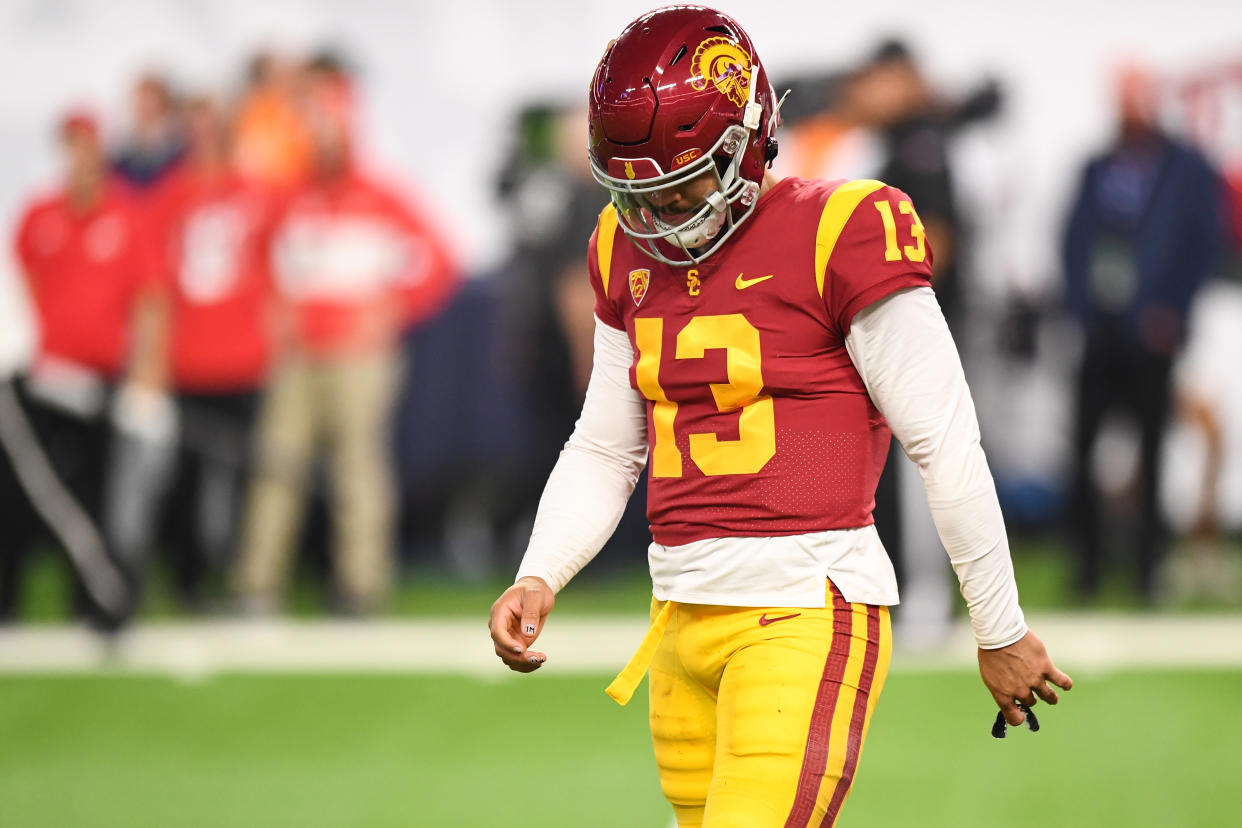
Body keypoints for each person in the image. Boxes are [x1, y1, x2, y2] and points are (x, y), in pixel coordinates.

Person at [488, 7, 1071, 827]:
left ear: (746, 139)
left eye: (678, 185)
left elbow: (943, 439)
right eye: (637, 192)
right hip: (679, 618)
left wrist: (999, 625)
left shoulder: (842, 229)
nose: (655, 217)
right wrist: (540, 568)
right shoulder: (622, 247)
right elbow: (607, 443)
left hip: (803, 606)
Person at [232, 73, 458, 614]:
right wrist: (275, 312)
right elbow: (258, 259)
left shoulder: (380, 194)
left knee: (358, 470)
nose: (324, 137)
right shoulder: (291, 196)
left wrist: (392, 309)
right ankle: (257, 588)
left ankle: (361, 587)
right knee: (276, 466)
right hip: (300, 355)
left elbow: (440, 262)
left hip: (361, 356)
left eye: (332, 125)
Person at [1063, 65, 1223, 601]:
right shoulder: (1097, 166)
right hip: (1101, 332)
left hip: (1151, 334)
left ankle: (1147, 572)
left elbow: (1201, 246)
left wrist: (1170, 313)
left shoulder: (1186, 169)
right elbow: (1073, 241)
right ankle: (1086, 569)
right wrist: (1082, 311)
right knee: (1082, 450)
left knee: (1154, 452)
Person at [2, 111, 164, 627]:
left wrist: (144, 374)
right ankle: (8, 595)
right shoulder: (40, 214)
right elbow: (19, 289)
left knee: (96, 491)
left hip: (98, 382)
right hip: (40, 380)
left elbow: (150, 299)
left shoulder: (124, 215)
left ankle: (93, 598)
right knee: (25, 490)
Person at [135, 95, 274, 608]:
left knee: (243, 479)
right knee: (184, 479)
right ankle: (185, 579)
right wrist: (152, 359)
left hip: (243, 359)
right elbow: (153, 289)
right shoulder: (167, 199)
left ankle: (236, 577)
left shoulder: (254, 193)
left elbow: (275, 268)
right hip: (187, 362)